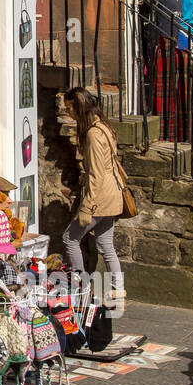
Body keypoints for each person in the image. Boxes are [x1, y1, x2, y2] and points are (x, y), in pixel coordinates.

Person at [61, 87, 126, 303]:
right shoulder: (102, 126)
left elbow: (96, 175)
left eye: (69, 107)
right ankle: (118, 290)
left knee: (70, 238)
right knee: (106, 244)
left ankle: (80, 285)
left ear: (78, 107)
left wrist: (86, 208)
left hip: (101, 197)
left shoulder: (93, 134)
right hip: (111, 194)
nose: (67, 112)